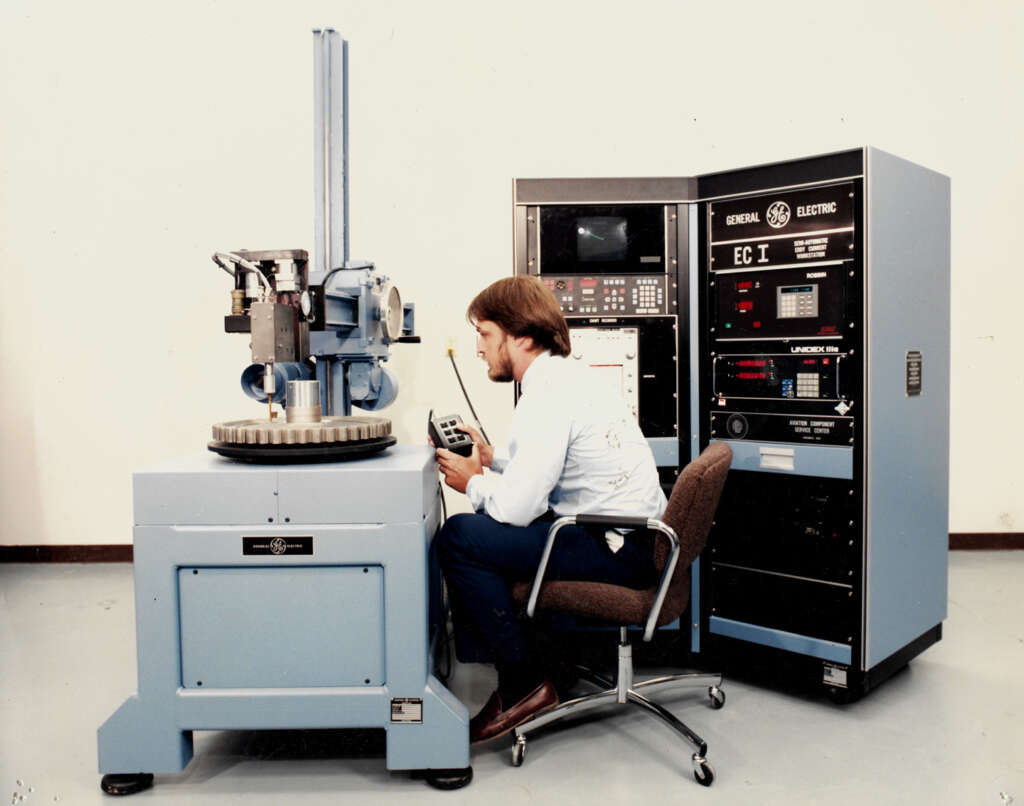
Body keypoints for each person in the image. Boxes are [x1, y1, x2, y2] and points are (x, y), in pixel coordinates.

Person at [433, 275, 668, 744]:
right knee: (492, 529)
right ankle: (544, 665)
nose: (479, 348)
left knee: (461, 536)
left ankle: (523, 685)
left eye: (484, 334)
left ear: (519, 336)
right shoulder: (566, 377)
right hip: (634, 537)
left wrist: (472, 482)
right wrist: (492, 458)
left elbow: (518, 510)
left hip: (617, 548)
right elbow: (554, 473)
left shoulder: (546, 394)